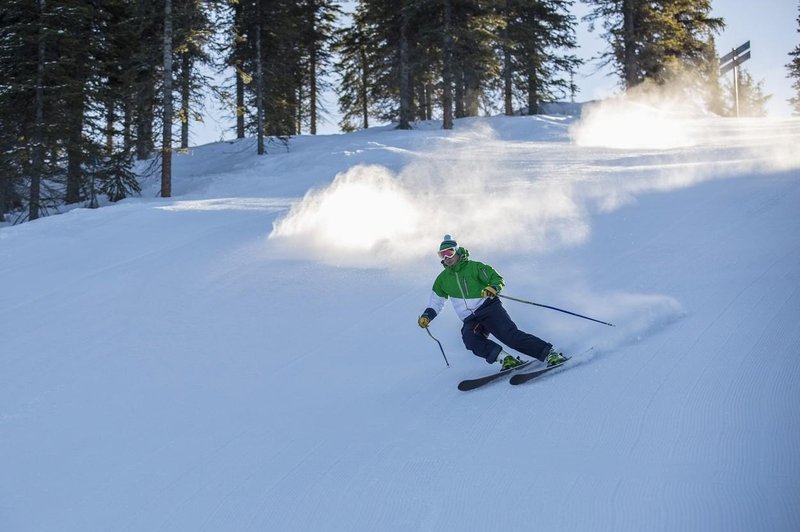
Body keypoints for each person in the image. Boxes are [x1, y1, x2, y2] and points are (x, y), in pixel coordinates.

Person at [417, 234, 567, 370]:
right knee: (470, 339)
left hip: (489, 308)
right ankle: (505, 359)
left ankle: (549, 353)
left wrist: (493, 287)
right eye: (442, 255)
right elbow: (436, 302)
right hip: (470, 318)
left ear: (457, 251)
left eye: (449, 252)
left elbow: (496, 278)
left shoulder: (475, 267)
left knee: (509, 336)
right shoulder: (442, 279)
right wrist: (427, 316)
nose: (447, 257)